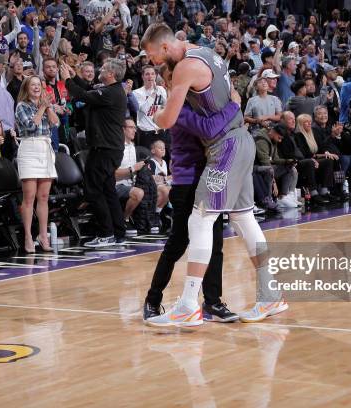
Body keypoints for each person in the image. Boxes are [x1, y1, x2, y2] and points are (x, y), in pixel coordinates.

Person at [141, 23, 287, 326]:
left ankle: (188, 304)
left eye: (153, 56)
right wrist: (233, 110)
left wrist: (154, 114)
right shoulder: (207, 52)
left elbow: (167, 120)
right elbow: (233, 95)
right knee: (244, 219)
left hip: (226, 148)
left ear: (166, 48)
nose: (152, 63)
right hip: (242, 139)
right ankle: (270, 294)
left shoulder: (183, 69)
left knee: (201, 218)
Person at [143, 65, 241, 323]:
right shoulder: (177, 109)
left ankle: (213, 303)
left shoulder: (199, 103)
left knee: (216, 243)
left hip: (211, 178)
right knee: (178, 243)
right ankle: (153, 299)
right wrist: (234, 106)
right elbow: (210, 129)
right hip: (187, 183)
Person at [61, 58, 128, 248]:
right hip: (110, 148)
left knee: (94, 189)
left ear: (111, 74)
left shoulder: (110, 93)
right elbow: (89, 90)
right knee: (108, 190)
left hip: (104, 149)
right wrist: (75, 77)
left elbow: (84, 95)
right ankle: (118, 232)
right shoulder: (113, 91)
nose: (100, 69)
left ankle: (106, 233)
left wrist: (67, 80)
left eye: (104, 68)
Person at [14, 75, 60, 253]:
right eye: (33, 85)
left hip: (45, 147)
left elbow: (55, 122)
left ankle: (43, 234)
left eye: (39, 85)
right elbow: (30, 126)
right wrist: (41, 107)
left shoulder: (44, 105)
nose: (36, 87)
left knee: (43, 197)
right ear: (26, 88)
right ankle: (27, 235)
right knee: (29, 197)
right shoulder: (22, 106)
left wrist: (47, 107)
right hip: (29, 148)